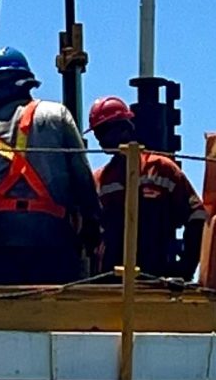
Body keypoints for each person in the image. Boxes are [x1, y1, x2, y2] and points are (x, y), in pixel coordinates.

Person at [0, 46, 98, 285]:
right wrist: (92, 225)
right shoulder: (56, 115)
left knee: (10, 304)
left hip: (4, 247)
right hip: (54, 242)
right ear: (27, 82)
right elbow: (82, 177)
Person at [86, 95, 204, 279]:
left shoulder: (161, 170)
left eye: (104, 131)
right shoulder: (100, 180)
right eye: (97, 133)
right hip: (110, 281)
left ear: (125, 127)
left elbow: (197, 217)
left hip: (157, 277)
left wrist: (185, 268)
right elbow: (89, 233)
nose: (100, 139)